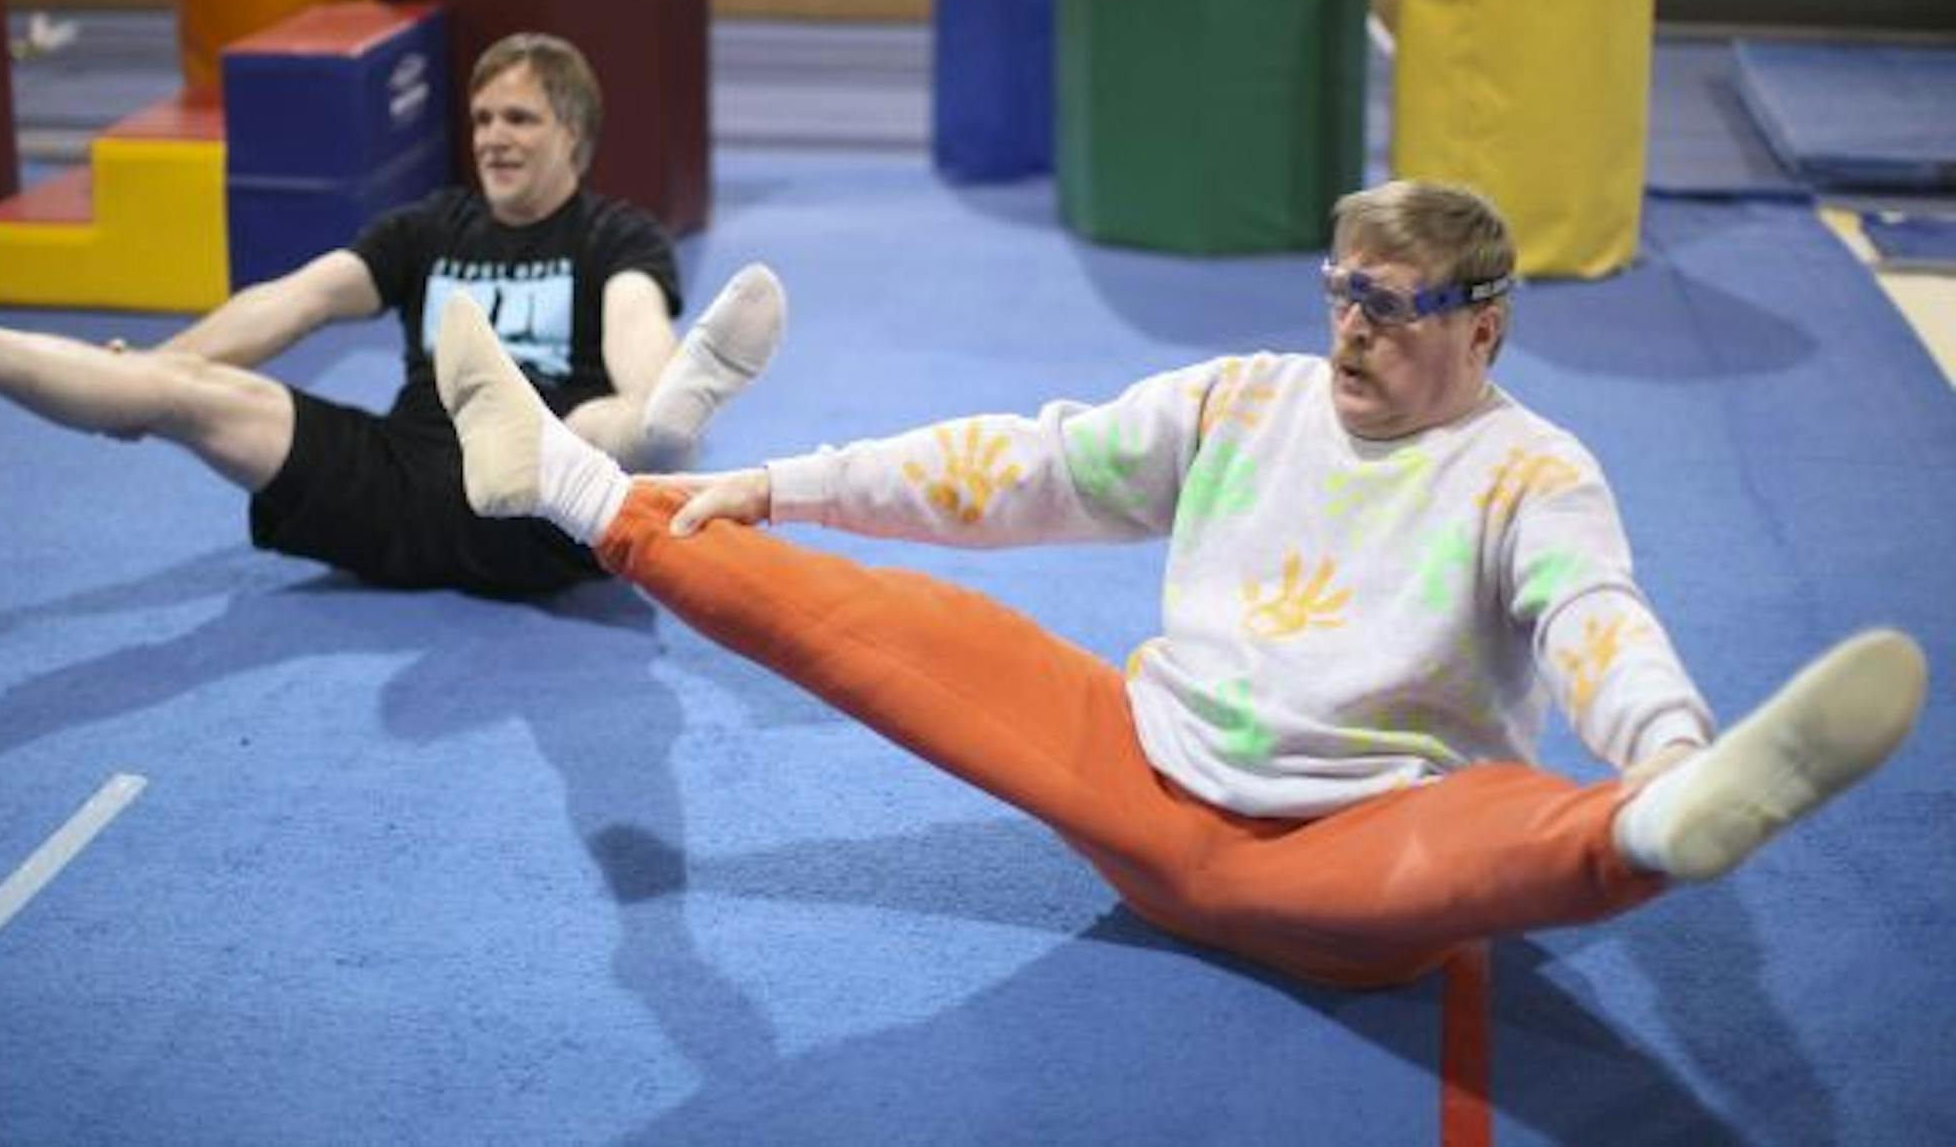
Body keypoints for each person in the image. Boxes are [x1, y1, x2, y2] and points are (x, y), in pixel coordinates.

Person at [427, 178, 1926, 989]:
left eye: (1394, 307)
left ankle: (1662, 818)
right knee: (901, 632)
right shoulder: (1243, 400)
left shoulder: (1533, 473)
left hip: (1355, 861)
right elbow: (1017, 467)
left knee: (1499, 834)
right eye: (1341, 292)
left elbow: (1594, 620)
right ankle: (573, 484)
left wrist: (1664, 741)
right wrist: (782, 482)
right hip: (1140, 798)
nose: (1352, 331)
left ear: (1485, 330)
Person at [0, 31, 785, 601]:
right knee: (195, 391)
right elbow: (295, 300)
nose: (493, 136)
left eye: (519, 118)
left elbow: (635, 332)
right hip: (399, 488)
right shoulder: (429, 226)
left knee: (607, 419)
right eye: (483, 118)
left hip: (544, 505)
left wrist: (649, 405)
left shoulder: (616, 237)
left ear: (574, 132)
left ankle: (668, 433)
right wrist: (163, 370)